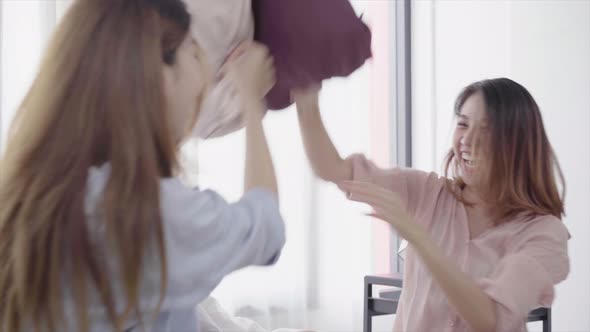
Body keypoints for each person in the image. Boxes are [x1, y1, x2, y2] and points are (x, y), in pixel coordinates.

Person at [0, 0, 284, 331]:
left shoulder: (30, 196)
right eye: (194, 52)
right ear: (160, 76)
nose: (204, 77)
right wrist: (251, 99)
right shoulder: (147, 214)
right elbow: (266, 227)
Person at [293, 78, 570, 332]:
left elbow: (491, 318)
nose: (467, 141)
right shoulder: (426, 191)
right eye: (463, 124)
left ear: (518, 144)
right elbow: (333, 170)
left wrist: (419, 238)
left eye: (486, 129)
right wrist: (306, 104)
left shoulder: (544, 234)